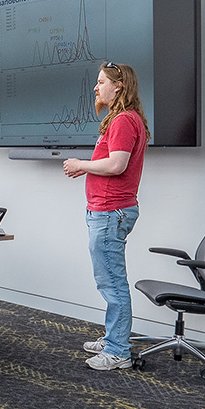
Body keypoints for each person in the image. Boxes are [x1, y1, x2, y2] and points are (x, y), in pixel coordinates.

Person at [62, 62, 150, 371]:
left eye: (101, 82)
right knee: (108, 280)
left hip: (111, 212)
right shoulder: (120, 119)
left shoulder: (125, 121)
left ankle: (117, 351)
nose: (96, 88)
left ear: (119, 86)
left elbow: (116, 165)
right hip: (107, 211)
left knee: (112, 283)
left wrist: (81, 164)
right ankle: (115, 336)